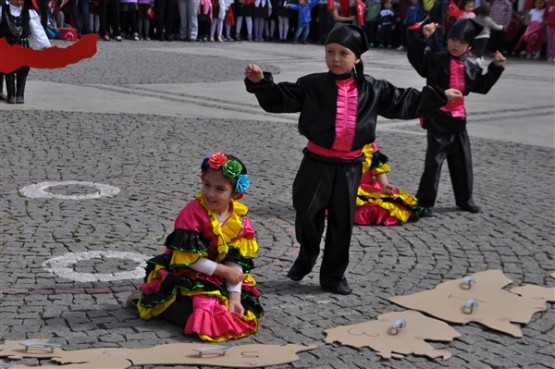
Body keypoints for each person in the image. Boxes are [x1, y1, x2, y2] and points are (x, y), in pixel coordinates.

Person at [245, 22, 456, 295]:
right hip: (316, 163)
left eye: (343, 53)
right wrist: (261, 83)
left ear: (356, 57)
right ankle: (306, 255)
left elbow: (405, 100)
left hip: (349, 167)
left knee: (342, 222)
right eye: (330, 51)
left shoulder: (373, 88)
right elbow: (280, 99)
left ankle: (333, 275)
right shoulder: (313, 85)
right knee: (307, 213)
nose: (335, 58)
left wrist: (441, 96)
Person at [136, 152, 263, 342]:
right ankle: (163, 304)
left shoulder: (239, 219)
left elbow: (236, 261)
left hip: (218, 273)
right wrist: (224, 271)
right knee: (205, 308)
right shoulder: (192, 213)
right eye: (207, 185)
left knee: (241, 306)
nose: (210, 193)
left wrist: (235, 296)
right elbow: (189, 259)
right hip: (186, 271)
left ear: (235, 194)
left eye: (220, 189)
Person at [407, 19, 506, 217]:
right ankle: (425, 202)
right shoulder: (435, 60)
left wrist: (496, 67)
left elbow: (482, 86)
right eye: (452, 39)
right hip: (437, 119)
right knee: (433, 164)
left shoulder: (471, 68)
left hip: (458, 121)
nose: (455, 44)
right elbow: (416, 58)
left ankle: (465, 200)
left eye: (460, 42)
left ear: (469, 47)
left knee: (463, 162)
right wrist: (421, 37)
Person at [354, 143, 425, 225]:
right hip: (344, 188)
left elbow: (377, 169)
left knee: (388, 210)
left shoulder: (369, 145)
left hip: (367, 188)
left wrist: (384, 185)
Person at [0, 0, 51, 104]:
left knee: (22, 71)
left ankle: (20, 95)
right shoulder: (2, 10)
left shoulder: (29, 12)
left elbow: (37, 30)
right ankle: (11, 95)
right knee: (9, 70)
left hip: (23, 46)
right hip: (8, 46)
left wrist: (45, 46)